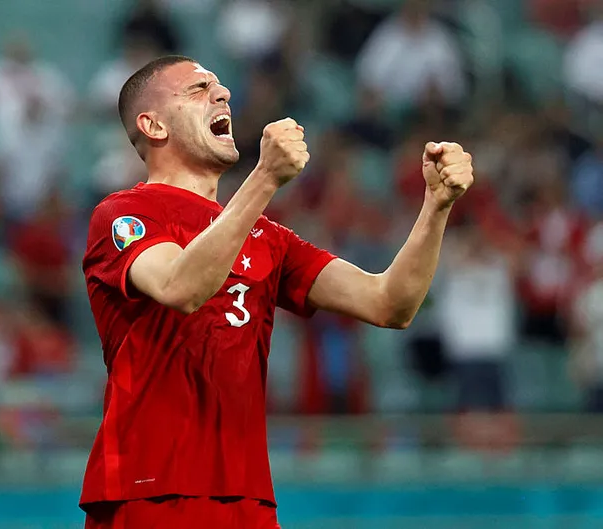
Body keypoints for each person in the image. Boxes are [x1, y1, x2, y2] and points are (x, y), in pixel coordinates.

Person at [80, 55, 474, 529]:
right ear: (153, 125)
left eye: (220, 86)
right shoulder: (123, 214)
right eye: (198, 89)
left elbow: (389, 303)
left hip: (248, 498)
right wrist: (265, 178)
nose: (222, 94)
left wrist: (436, 206)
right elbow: (180, 286)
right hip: (151, 489)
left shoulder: (269, 238)